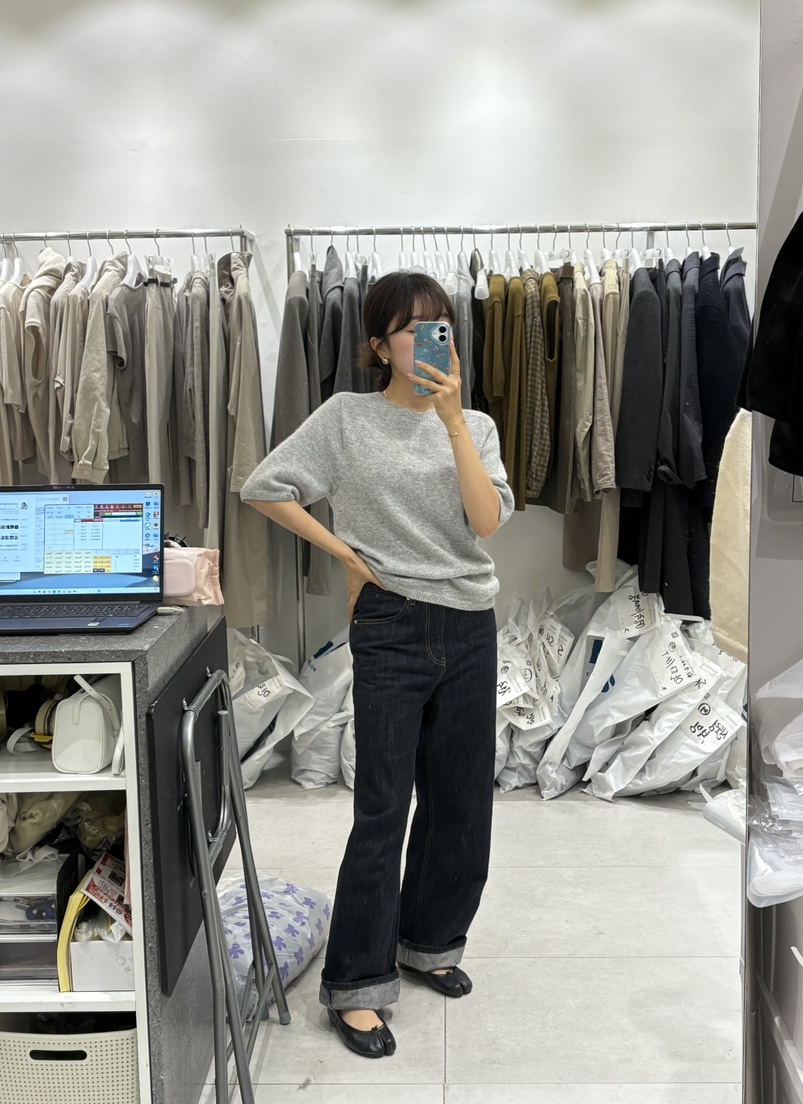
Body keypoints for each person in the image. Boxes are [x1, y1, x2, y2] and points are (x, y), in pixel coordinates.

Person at [241, 271, 515, 1059]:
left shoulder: (477, 426)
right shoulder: (345, 419)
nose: (432, 340)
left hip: (469, 623)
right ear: (378, 345)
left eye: (441, 325)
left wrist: (454, 421)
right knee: (383, 804)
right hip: (390, 622)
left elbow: (486, 523)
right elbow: (264, 485)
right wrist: (344, 554)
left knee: (462, 801)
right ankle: (357, 982)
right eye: (412, 328)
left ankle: (430, 941)